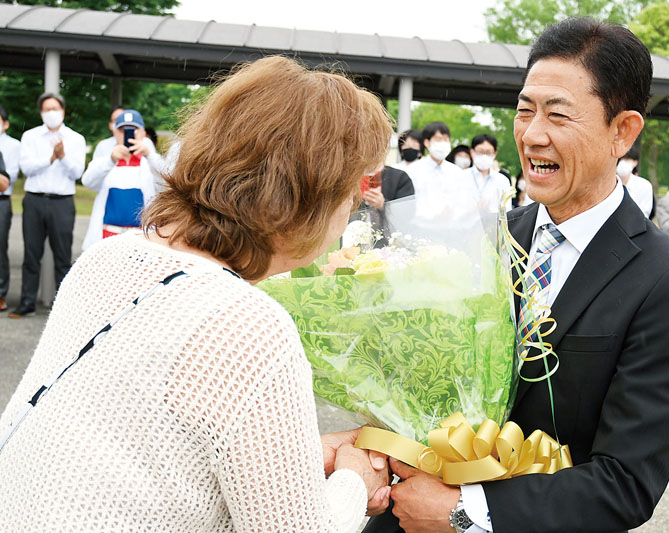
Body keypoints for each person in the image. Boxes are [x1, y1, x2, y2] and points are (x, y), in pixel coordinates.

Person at [0, 56, 393, 530]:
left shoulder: (111, 256)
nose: (353, 205)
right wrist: (354, 481)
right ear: (314, 191)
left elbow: (138, 454)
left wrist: (298, 463)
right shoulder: (248, 324)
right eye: (357, 186)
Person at [365, 17, 669, 533]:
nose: (532, 134)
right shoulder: (486, 238)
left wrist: (465, 513)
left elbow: (627, 483)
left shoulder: (666, 280)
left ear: (623, 131)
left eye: (558, 115)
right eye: (524, 111)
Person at [10, 92, 86, 318]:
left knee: (63, 257)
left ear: (63, 110)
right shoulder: (30, 136)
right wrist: (51, 158)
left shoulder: (76, 139)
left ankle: (61, 308)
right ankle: (27, 303)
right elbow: (27, 168)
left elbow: (77, 172)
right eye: (47, 109)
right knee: (31, 255)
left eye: (55, 108)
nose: (51, 113)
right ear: (41, 112)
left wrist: (62, 157)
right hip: (34, 200)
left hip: (62, 202)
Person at [81, 109, 165, 251]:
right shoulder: (106, 161)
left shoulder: (150, 162)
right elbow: (88, 181)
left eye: (134, 129)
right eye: (123, 130)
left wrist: (149, 155)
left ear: (143, 133)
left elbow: (168, 180)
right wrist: (111, 159)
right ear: (114, 132)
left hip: (141, 238)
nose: (128, 133)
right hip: (108, 236)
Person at [405, 122, 472, 222]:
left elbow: (463, 200)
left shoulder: (456, 172)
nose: (443, 143)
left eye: (446, 139)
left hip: (451, 227)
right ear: (427, 143)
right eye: (438, 139)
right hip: (421, 227)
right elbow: (409, 203)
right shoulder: (413, 170)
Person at [0, 104, 21, 312]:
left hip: (1, 200)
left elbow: (8, 178)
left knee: (0, 248)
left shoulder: (13, 146)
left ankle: (0, 293)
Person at [464, 133, 511, 214]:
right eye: (480, 151)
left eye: (488, 152)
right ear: (472, 152)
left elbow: (507, 211)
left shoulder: (502, 180)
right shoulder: (461, 177)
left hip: (493, 225)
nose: (484, 156)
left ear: (495, 154)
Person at [616, 145, 654, 218]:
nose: (623, 163)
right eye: (620, 159)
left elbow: (644, 215)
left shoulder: (644, 186)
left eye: (627, 159)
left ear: (635, 162)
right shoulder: (606, 185)